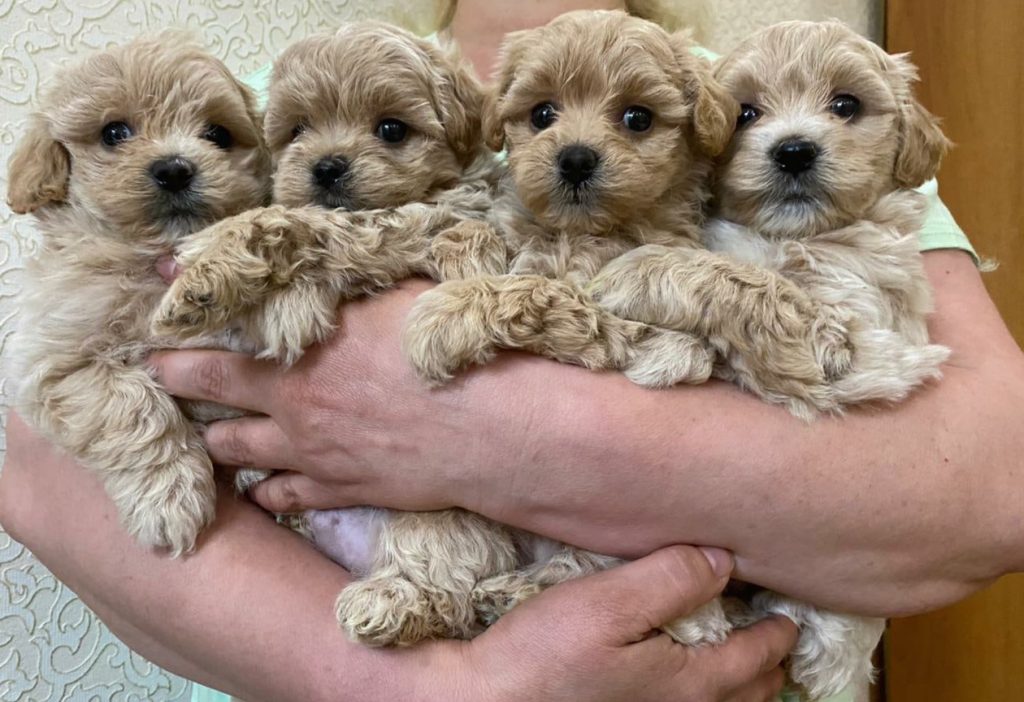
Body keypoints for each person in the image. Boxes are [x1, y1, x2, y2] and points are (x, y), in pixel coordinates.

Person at [3, 0, 1022, 701]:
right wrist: (431, 689)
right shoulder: (246, 112)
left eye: (633, 119)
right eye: (535, 117)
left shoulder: (751, 101)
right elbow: (42, 467)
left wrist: (493, 438)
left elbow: (992, 485)